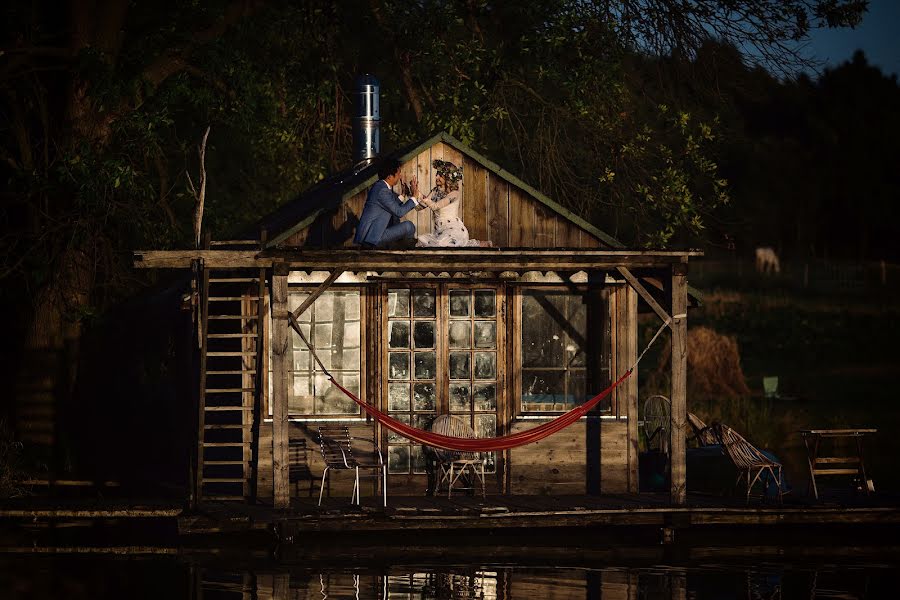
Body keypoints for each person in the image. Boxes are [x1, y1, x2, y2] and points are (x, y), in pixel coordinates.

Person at [416, 159, 488, 247]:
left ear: (448, 177)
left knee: (441, 244)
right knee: (423, 240)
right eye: (437, 174)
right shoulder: (435, 191)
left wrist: (419, 194)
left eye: (440, 175)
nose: (436, 177)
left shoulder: (454, 194)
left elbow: (435, 206)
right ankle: (480, 244)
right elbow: (420, 207)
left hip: (453, 229)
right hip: (439, 231)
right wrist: (412, 194)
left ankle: (477, 244)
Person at [354, 157, 423, 248]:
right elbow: (399, 212)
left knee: (404, 227)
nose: (400, 176)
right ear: (390, 176)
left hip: (373, 235)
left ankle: (402, 250)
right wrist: (414, 195)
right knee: (409, 226)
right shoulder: (382, 190)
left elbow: (391, 205)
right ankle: (409, 255)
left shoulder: (380, 187)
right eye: (398, 173)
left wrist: (403, 194)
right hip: (371, 239)